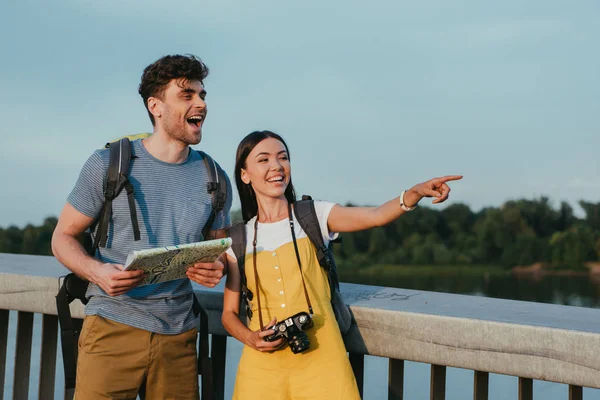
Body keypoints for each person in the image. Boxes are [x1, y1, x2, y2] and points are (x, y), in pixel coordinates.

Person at [221, 130, 462, 399]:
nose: (276, 166)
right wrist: (250, 338)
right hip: (260, 369)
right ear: (245, 174)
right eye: (263, 160)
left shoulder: (314, 215)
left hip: (322, 359)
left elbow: (376, 215)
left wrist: (415, 193)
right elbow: (228, 314)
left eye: (283, 158)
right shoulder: (238, 238)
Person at [51, 54, 233, 399]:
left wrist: (215, 268)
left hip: (180, 337)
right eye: (187, 95)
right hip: (111, 328)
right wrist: (97, 272)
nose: (201, 104)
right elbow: (62, 237)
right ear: (156, 106)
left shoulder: (216, 178)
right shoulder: (108, 165)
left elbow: (218, 250)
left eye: (202, 95)